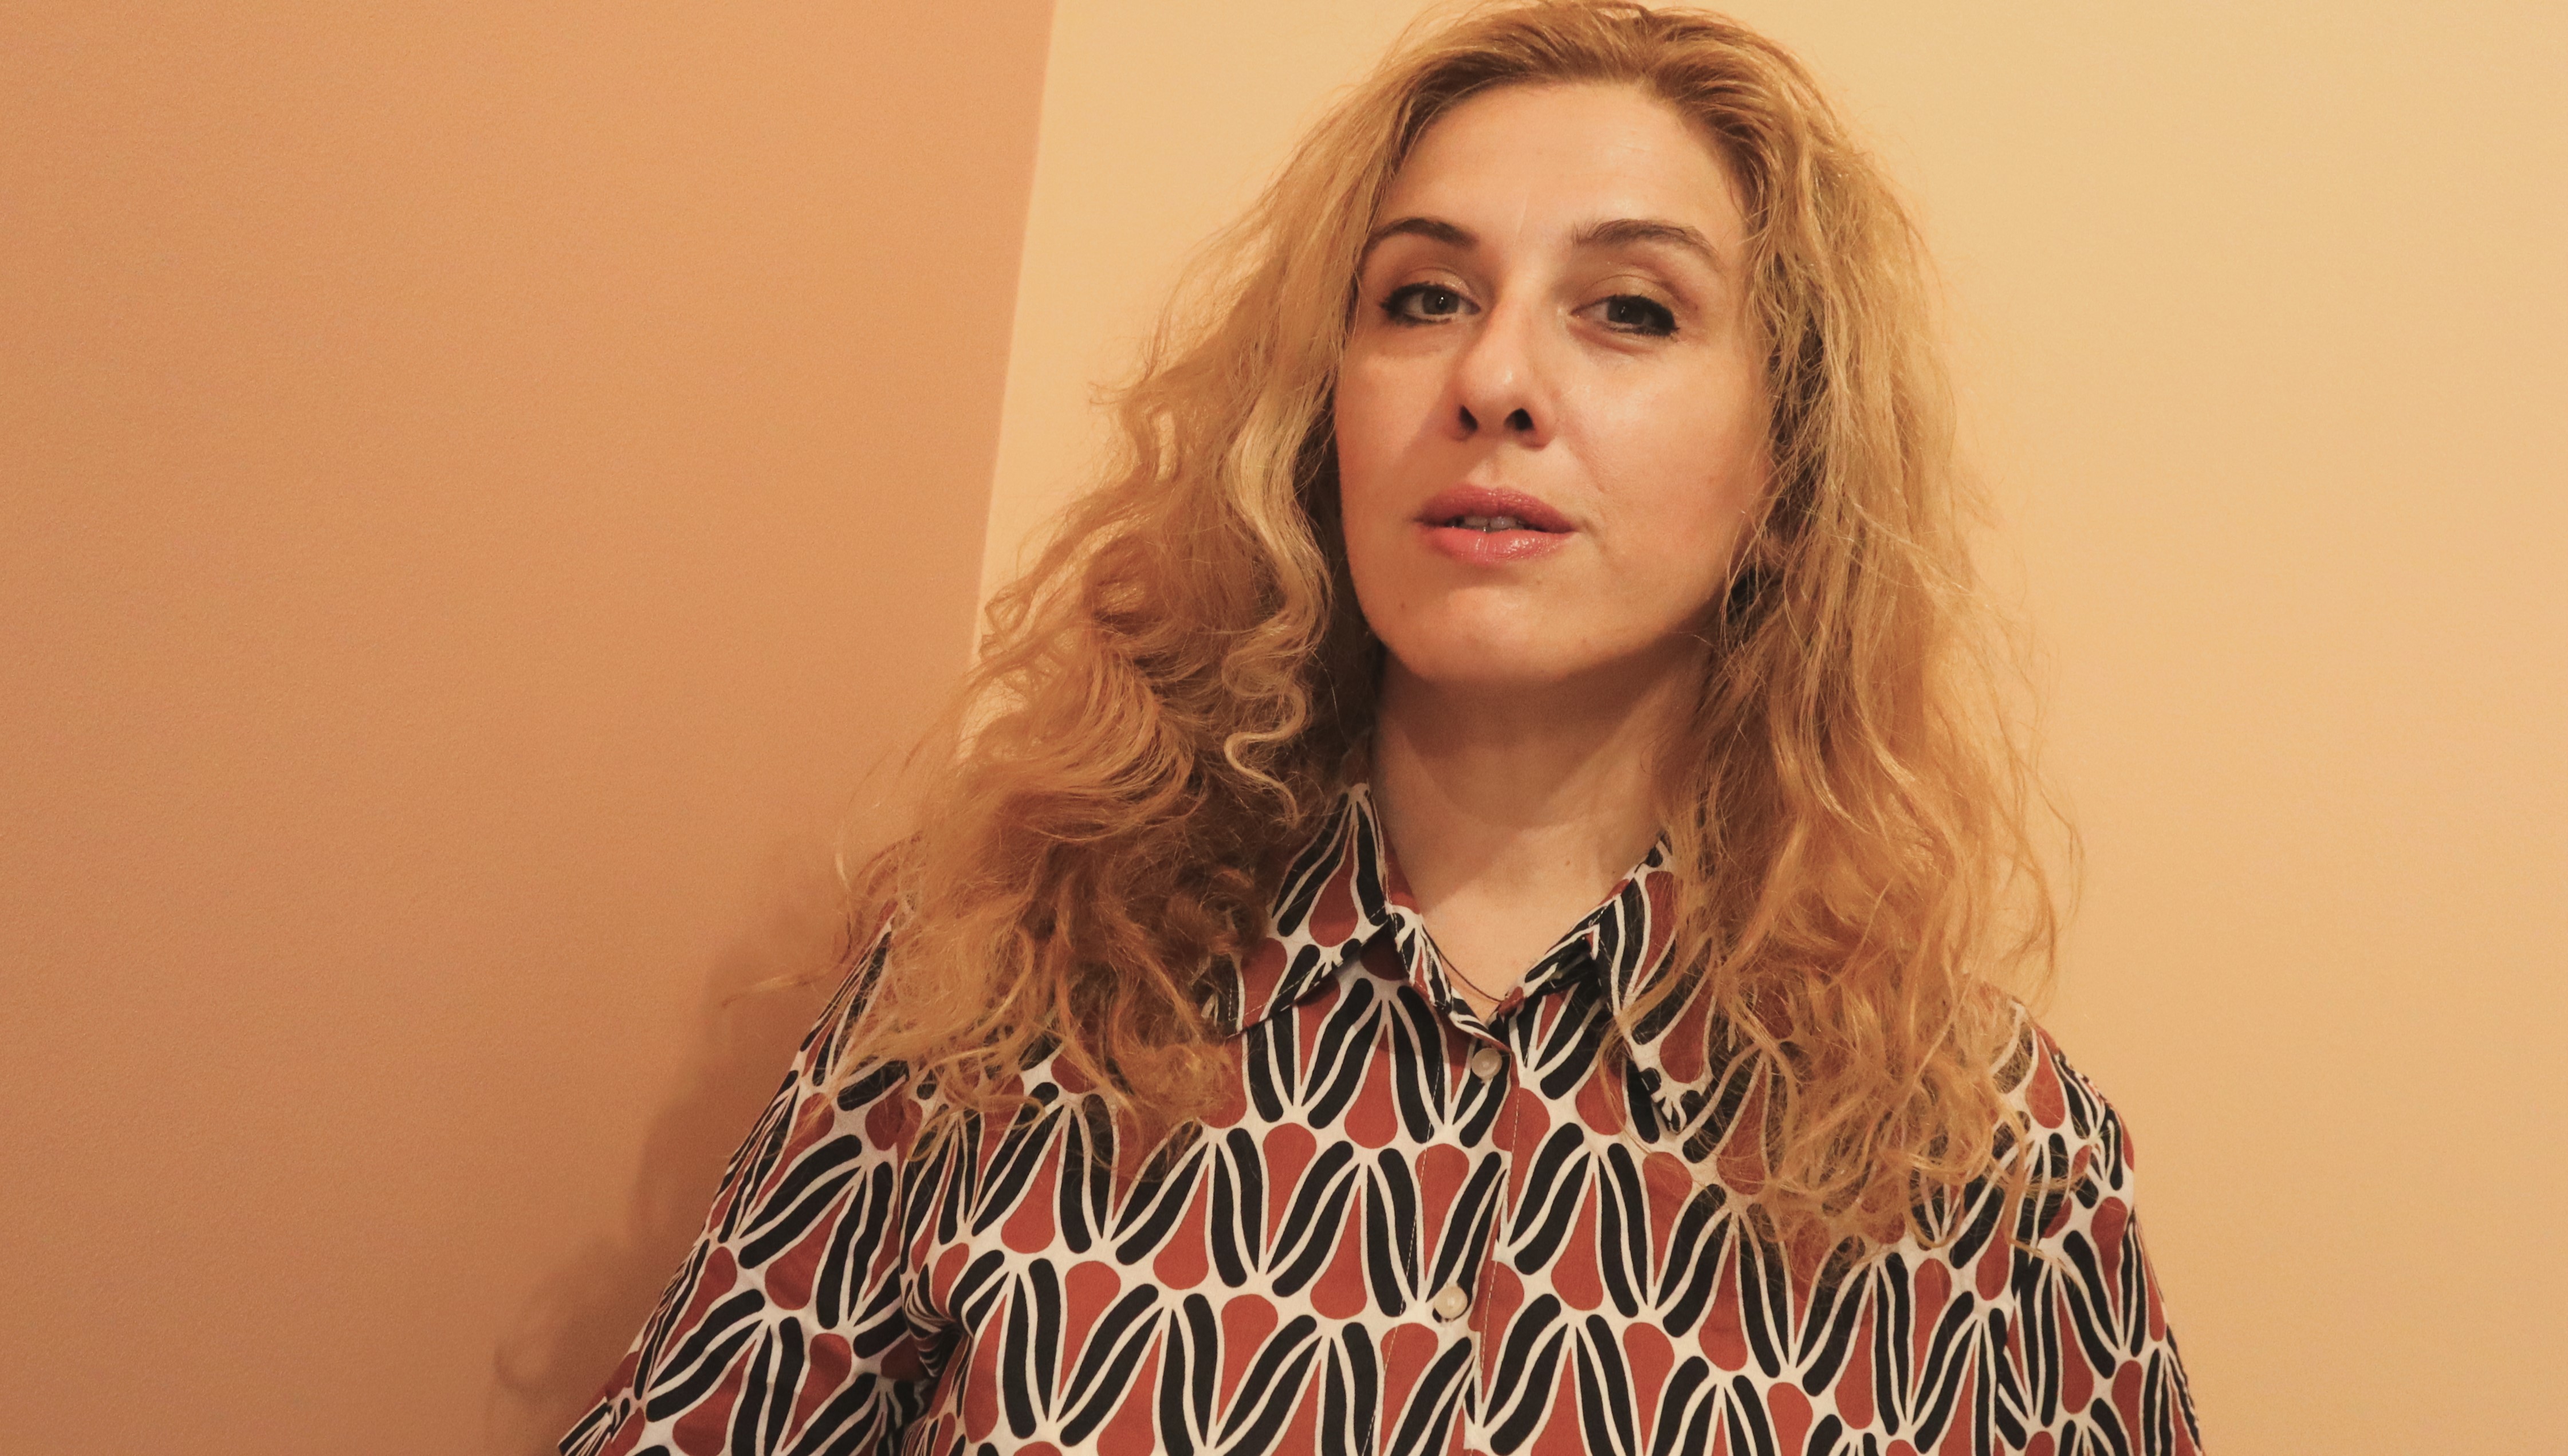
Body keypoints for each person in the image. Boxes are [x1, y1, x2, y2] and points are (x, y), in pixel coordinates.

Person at [563, 4, 2200, 1453]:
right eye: (1422, 297)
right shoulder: (998, 1000)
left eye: (1631, 311)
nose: (1493, 377)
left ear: (1788, 465)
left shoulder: (1996, 1166)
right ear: (1318, 420)